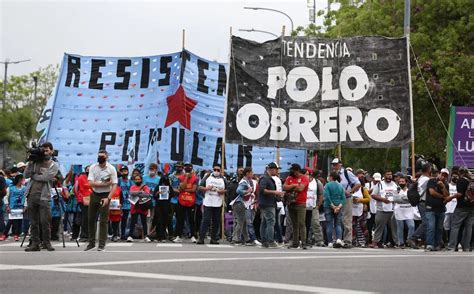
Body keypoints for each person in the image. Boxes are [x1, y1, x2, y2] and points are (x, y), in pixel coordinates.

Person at [24, 142, 59, 252]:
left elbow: (46, 178)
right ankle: (35, 243)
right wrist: (30, 162)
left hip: (44, 196)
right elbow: (26, 175)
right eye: (43, 150)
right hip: (31, 194)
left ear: (51, 151)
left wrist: (34, 176)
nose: (44, 152)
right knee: (33, 221)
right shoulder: (35, 162)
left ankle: (47, 243)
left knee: (45, 221)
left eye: (47, 150)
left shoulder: (54, 165)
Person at [84, 150, 118, 251]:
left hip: (106, 194)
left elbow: (114, 185)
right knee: (90, 219)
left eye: (102, 157)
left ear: (106, 158)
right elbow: (90, 183)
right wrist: (104, 184)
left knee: (103, 220)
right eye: (99, 156)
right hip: (95, 194)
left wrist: (108, 198)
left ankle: (102, 244)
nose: (100, 158)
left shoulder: (111, 168)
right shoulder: (93, 167)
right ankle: (91, 243)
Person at [331, 158, 361, 248]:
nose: (334, 166)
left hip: (346, 198)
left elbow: (358, 183)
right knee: (336, 219)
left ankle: (348, 240)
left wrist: (351, 191)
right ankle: (337, 240)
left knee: (347, 219)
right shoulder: (332, 174)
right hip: (336, 199)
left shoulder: (346, 173)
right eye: (333, 164)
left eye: (336, 164)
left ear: (340, 164)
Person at [258, 162, 285, 248]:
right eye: (277, 169)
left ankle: (264, 241)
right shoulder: (264, 178)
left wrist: (277, 195)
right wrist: (275, 192)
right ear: (272, 169)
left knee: (265, 222)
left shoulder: (268, 178)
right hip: (267, 203)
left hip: (269, 202)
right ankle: (271, 241)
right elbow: (262, 190)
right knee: (270, 221)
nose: (277, 171)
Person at [198, 165, 227, 244]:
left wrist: (221, 191)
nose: (216, 171)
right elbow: (200, 187)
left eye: (218, 170)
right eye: (215, 169)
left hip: (218, 202)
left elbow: (226, 189)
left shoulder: (223, 179)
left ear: (220, 171)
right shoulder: (207, 177)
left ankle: (213, 238)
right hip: (208, 202)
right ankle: (201, 238)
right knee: (206, 220)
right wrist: (207, 188)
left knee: (216, 221)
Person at [369, 170, 398, 248]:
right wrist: (383, 199)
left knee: (394, 227)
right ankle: (375, 242)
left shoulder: (394, 185)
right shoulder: (379, 184)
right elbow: (373, 195)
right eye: (388, 174)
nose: (389, 176)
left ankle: (397, 242)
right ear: (384, 176)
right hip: (382, 210)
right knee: (379, 227)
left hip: (392, 209)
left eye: (391, 174)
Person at [447, 167, 473, 252]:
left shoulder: (461, 181)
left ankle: (451, 246)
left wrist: (450, 197)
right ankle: (467, 247)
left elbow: (460, 193)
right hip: (472, 207)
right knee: (468, 227)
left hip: (462, 206)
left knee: (455, 226)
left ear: (459, 173)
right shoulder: (470, 181)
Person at [284, 164, 309, 249]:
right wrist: (295, 185)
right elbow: (284, 187)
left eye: (293, 170)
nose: (291, 172)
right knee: (294, 224)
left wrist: (290, 187)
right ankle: (295, 242)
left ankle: (304, 242)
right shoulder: (289, 178)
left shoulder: (304, 178)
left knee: (301, 223)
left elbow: (300, 189)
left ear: (297, 170)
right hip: (291, 203)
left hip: (300, 203)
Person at [424, 168, 449, 251]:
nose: (443, 177)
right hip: (430, 208)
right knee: (431, 226)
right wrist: (442, 196)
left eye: (445, 176)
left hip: (441, 209)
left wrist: (443, 187)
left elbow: (447, 195)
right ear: (439, 173)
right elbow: (432, 192)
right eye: (442, 174)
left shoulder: (446, 184)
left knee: (439, 228)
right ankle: (430, 244)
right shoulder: (431, 181)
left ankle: (437, 244)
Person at [407, 163, 431, 249]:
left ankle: (424, 240)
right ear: (428, 170)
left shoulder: (421, 178)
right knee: (426, 222)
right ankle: (413, 238)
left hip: (422, 202)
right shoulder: (426, 179)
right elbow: (421, 191)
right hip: (423, 202)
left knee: (427, 223)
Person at [173, 162, 198, 243]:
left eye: (189, 166)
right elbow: (181, 187)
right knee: (180, 219)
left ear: (191, 168)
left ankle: (193, 236)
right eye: (186, 166)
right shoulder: (181, 177)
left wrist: (183, 190)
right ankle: (178, 236)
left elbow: (193, 190)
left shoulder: (195, 178)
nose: (188, 168)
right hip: (181, 201)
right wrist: (186, 178)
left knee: (191, 219)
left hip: (191, 201)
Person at [323, 171, 345, 248]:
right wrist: (338, 207)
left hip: (328, 206)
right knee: (338, 224)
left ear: (331, 177)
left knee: (329, 224)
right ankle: (339, 239)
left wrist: (333, 206)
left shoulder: (327, 185)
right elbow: (343, 198)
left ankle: (330, 242)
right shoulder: (340, 186)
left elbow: (326, 196)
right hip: (339, 205)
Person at [232, 167, 253, 245]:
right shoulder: (244, 181)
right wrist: (247, 191)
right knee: (240, 221)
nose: (253, 174)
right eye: (251, 172)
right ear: (247, 173)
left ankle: (247, 239)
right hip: (240, 203)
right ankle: (235, 238)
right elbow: (238, 190)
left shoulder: (246, 181)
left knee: (243, 222)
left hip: (241, 203)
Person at [1, 174, 26, 241]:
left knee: (19, 221)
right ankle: (5, 234)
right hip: (12, 207)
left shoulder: (24, 188)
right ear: (19, 180)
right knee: (11, 221)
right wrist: (7, 205)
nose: (24, 180)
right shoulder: (11, 188)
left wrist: (25, 206)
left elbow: (26, 198)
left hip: (20, 207)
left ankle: (16, 235)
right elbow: (6, 197)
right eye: (23, 179)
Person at [127, 174, 151, 242]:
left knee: (144, 222)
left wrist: (136, 193)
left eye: (139, 179)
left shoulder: (145, 187)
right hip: (134, 207)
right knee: (133, 222)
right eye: (136, 179)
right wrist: (141, 192)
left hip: (143, 207)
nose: (137, 180)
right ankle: (130, 236)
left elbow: (147, 194)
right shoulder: (132, 187)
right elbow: (131, 193)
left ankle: (146, 236)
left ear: (141, 180)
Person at [393, 176, 415, 248]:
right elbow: (396, 200)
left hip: (408, 210)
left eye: (403, 181)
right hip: (399, 210)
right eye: (400, 182)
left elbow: (412, 199)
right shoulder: (396, 190)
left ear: (406, 182)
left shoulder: (410, 190)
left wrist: (403, 198)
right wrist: (406, 199)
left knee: (411, 226)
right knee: (400, 227)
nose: (401, 183)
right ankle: (401, 242)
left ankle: (409, 239)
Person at [352, 170, 370, 247]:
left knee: (363, 226)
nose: (361, 178)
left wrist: (360, 200)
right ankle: (354, 241)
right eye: (360, 176)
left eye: (363, 176)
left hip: (361, 210)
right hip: (353, 210)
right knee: (353, 226)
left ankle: (366, 241)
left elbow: (368, 199)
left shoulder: (363, 189)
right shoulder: (351, 188)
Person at [152, 175, 174, 241]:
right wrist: (157, 193)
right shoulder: (158, 187)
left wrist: (169, 193)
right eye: (163, 181)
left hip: (167, 205)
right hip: (159, 205)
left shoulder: (169, 187)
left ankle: (168, 235)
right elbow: (154, 196)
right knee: (159, 221)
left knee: (167, 221)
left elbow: (172, 195)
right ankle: (159, 236)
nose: (164, 183)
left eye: (165, 181)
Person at [73, 166, 92, 242]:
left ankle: (90, 235)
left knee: (91, 218)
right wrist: (79, 197)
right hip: (83, 199)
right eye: (87, 169)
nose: (89, 170)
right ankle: (84, 235)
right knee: (85, 217)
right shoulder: (81, 178)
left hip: (93, 199)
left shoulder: (94, 178)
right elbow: (76, 189)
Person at [118, 166, 132, 240]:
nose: (124, 172)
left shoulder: (130, 181)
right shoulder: (119, 181)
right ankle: (118, 234)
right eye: (122, 171)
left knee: (125, 220)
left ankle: (124, 234)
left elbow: (132, 191)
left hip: (128, 204)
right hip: (120, 203)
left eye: (125, 171)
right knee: (118, 219)